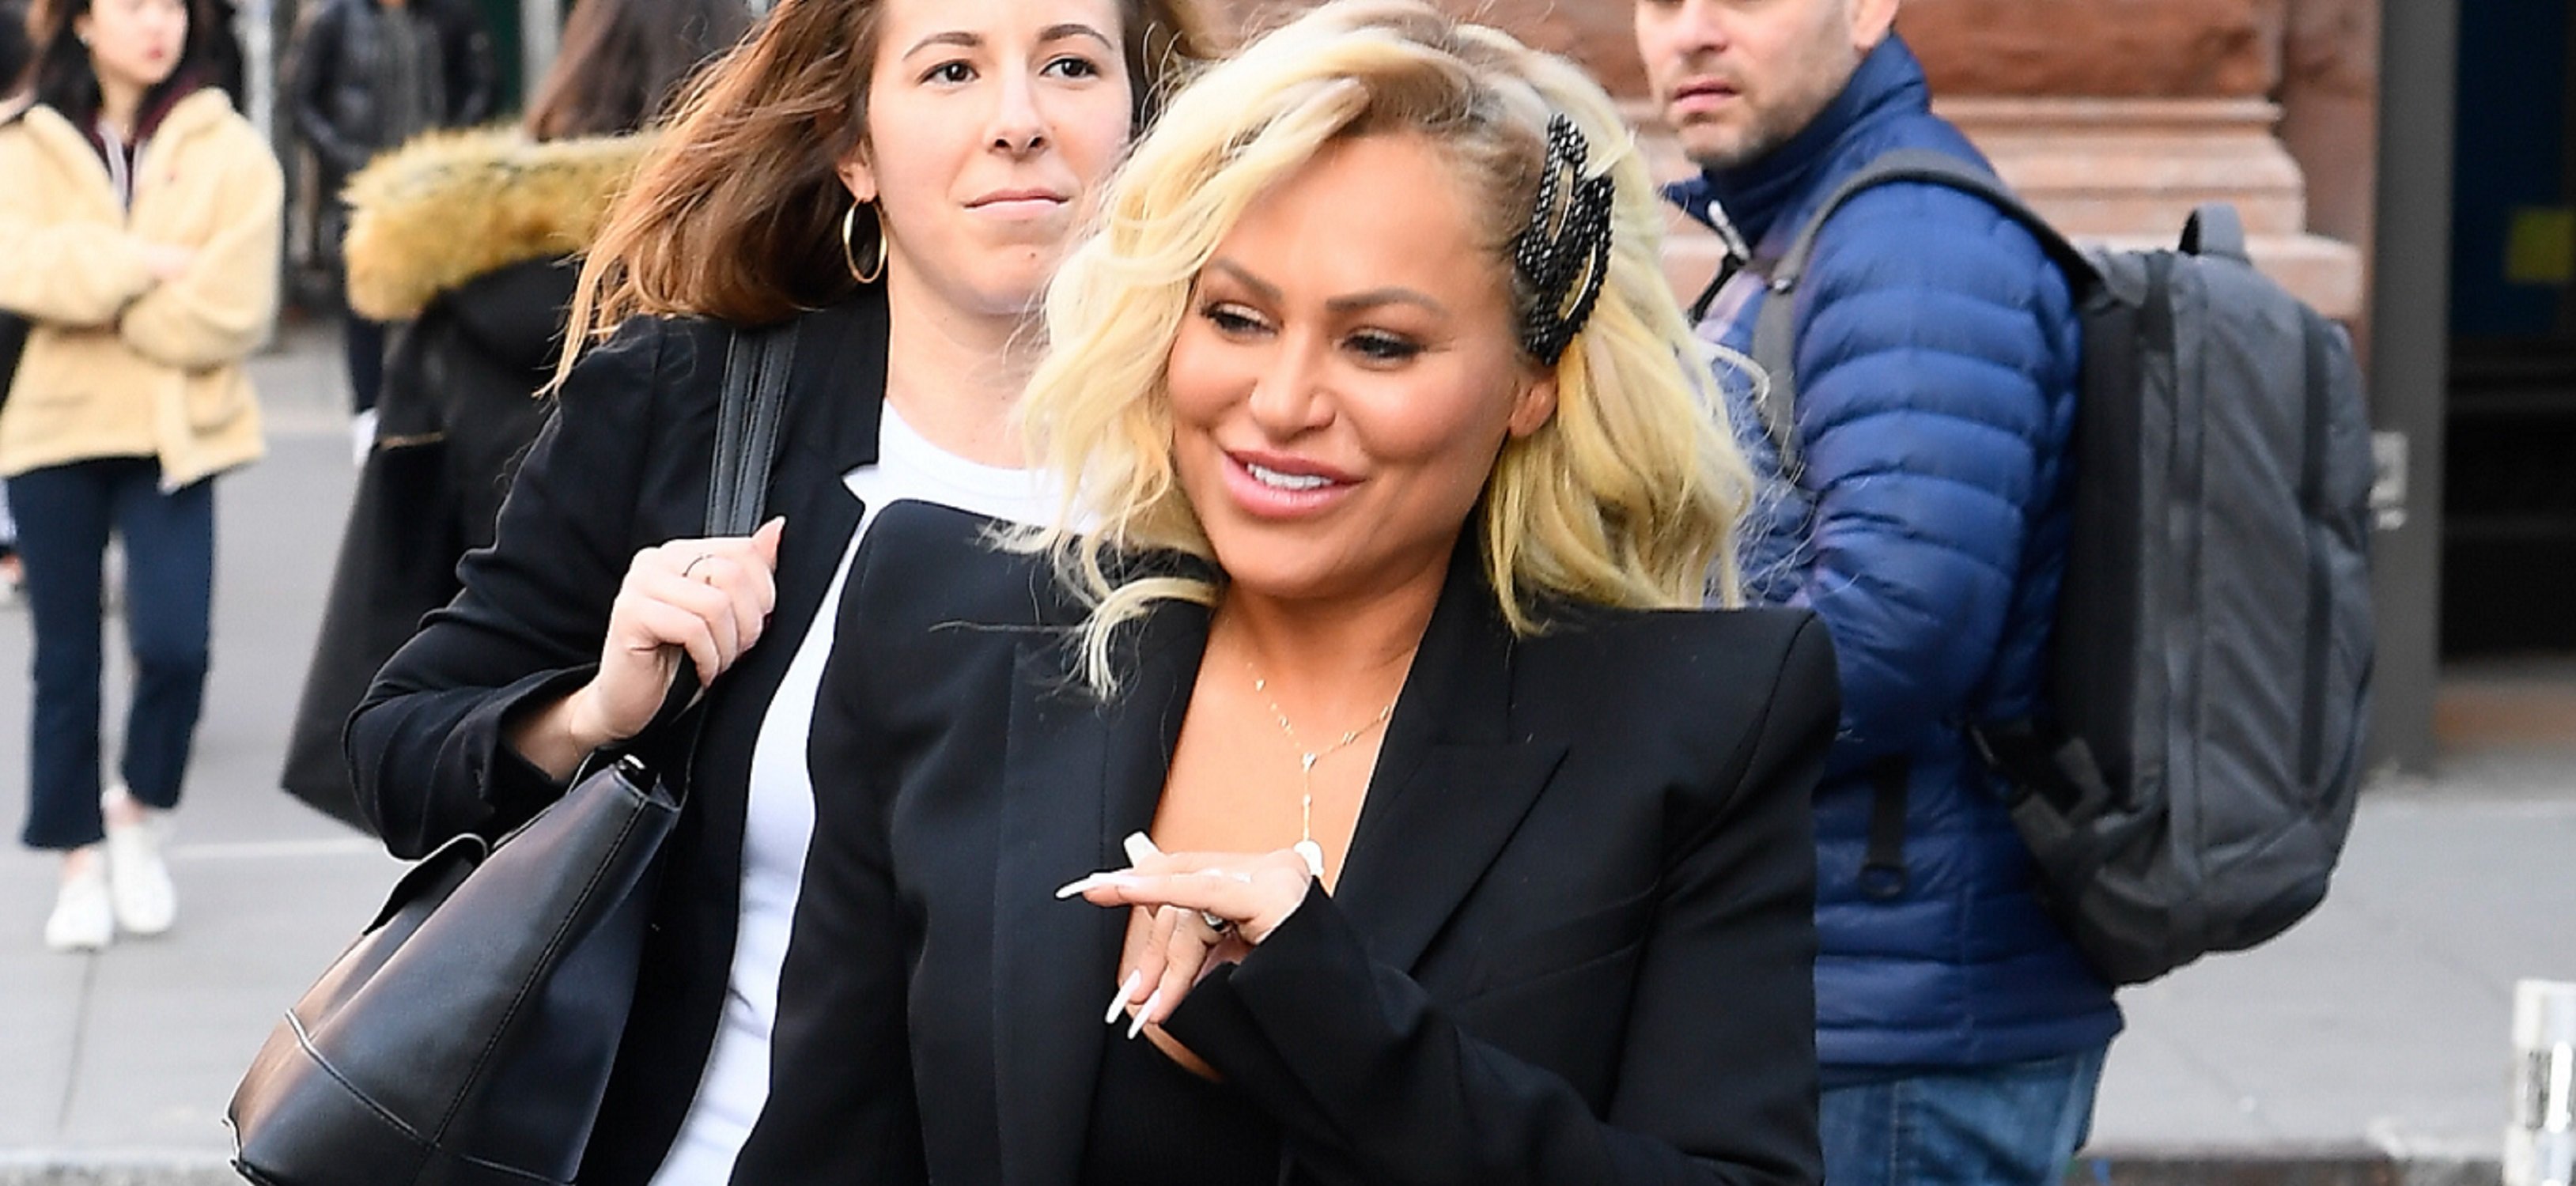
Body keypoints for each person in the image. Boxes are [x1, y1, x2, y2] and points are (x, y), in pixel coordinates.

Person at [735, 3, 1838, 1182]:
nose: (1280, 403)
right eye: (1236, 318)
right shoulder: (946, 622)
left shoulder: (1698, 721)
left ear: (1534, 381)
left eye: (1378, 345)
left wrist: (1336, 1022)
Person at [344, 0, 1216, 1180]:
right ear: (856, 148)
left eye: (1069, 63)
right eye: (950, 71)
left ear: (1141, 121)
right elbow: (399, 744)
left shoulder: (1236, 460)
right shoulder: (690, 405)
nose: (1018, 120)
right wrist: (595, 709)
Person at [1632, 0, 2121, 1181]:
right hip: (1854, 988)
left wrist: (1619, 732)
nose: (1689, 32)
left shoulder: (1910, 249)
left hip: (1900, 1024)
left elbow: (1891, 638)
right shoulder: (1807, 231)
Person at [278, 0, 752, 827]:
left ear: (572, 73)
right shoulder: (772, 281)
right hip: (735, 746)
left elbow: (399, 545)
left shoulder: (467, 278)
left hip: (522, 758)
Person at [0, 0, 282, 951]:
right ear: (81, 22)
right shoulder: (26, 140)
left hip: (176, 432)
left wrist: (108, 296)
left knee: (175, 648)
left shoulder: (228, 145)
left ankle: (139, 813)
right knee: (65, 660)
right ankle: (78, 861)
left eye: (170, 5)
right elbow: (18, 267)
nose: (156, 23)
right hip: (52, 429)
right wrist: (147, 263)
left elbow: (235, 306)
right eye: (130, 4)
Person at [285, 0, 494, 446]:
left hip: (435, 187)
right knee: (364, 303)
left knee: (441, 301)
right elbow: (302, 101)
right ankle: (367, 416)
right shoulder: (336, 18)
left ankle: (437, 414)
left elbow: (482, 86)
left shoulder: (451, 15)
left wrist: (449, 150)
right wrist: (345, 159)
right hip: (364, 186)